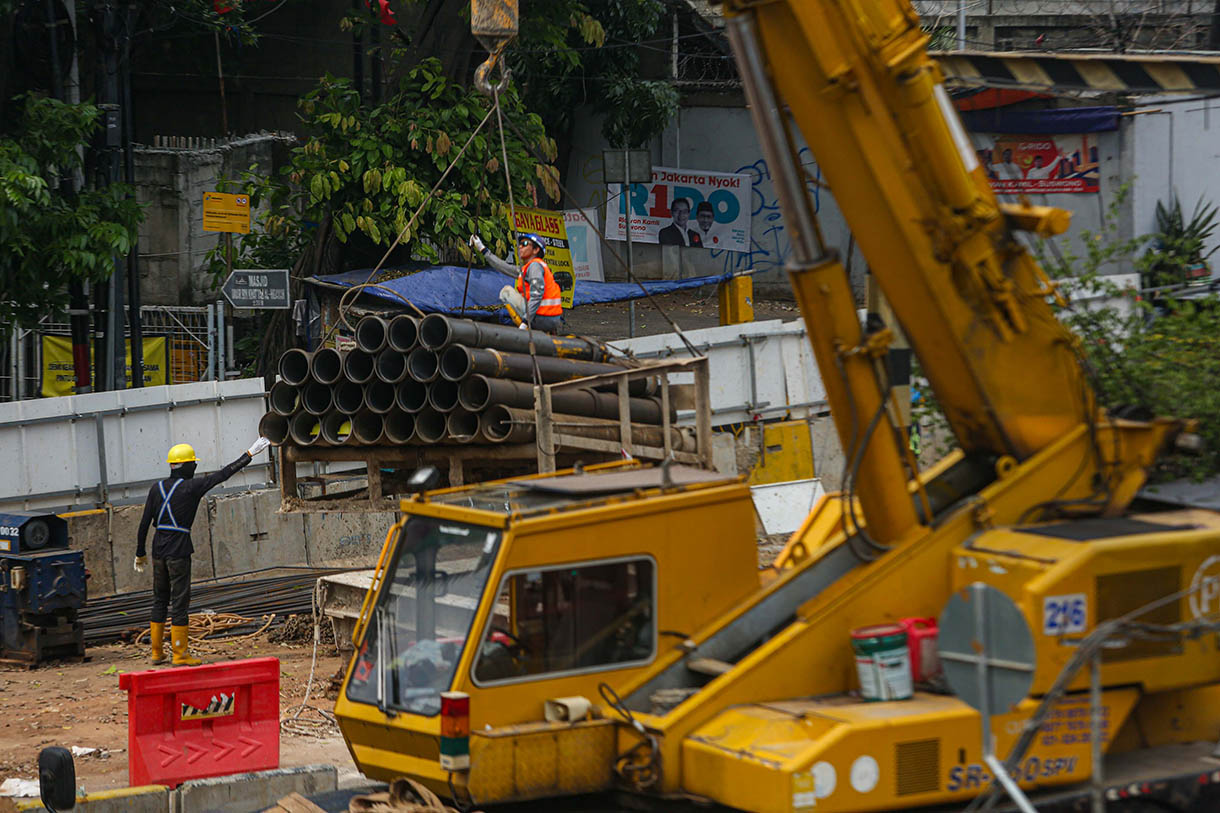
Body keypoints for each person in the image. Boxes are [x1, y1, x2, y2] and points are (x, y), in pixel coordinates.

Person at [135, 438, 270, 666]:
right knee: (179, 601)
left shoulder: (155, 489)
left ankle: (157, 653)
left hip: (157, 549)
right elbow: (223, 475)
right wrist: (249, 454)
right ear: (187, 466)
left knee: (159, 600)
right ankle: (179, 654)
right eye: (193, 464)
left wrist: (140, 553)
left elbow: (144, 523)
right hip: (178, 549)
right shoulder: (192, 487)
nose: (195, 467)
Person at [470, 232, 564, 333]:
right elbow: (504, 267)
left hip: (542, 318)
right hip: (551, 318)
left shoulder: (535, 266)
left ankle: (526, 329)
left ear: (536, 250)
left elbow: (537, 295)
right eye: (519, 244)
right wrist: (482, 248)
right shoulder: (529, 268)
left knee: (506, 292)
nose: (520, 247)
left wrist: (525, 322)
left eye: (524, 244)